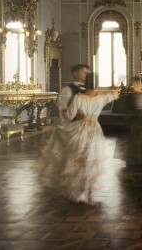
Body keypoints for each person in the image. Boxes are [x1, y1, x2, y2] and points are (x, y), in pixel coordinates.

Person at [41, 72, 119, 204]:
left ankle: (80, 192)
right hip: (95, 130)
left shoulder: (79, 98)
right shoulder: (102, 97)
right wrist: (115, 88)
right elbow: (115, 95)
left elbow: (69, 116)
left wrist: (66, 111)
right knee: (93, 161)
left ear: (85, 83)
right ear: (96, 84)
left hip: (80, 131)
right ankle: (91, 191)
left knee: (80, 160)